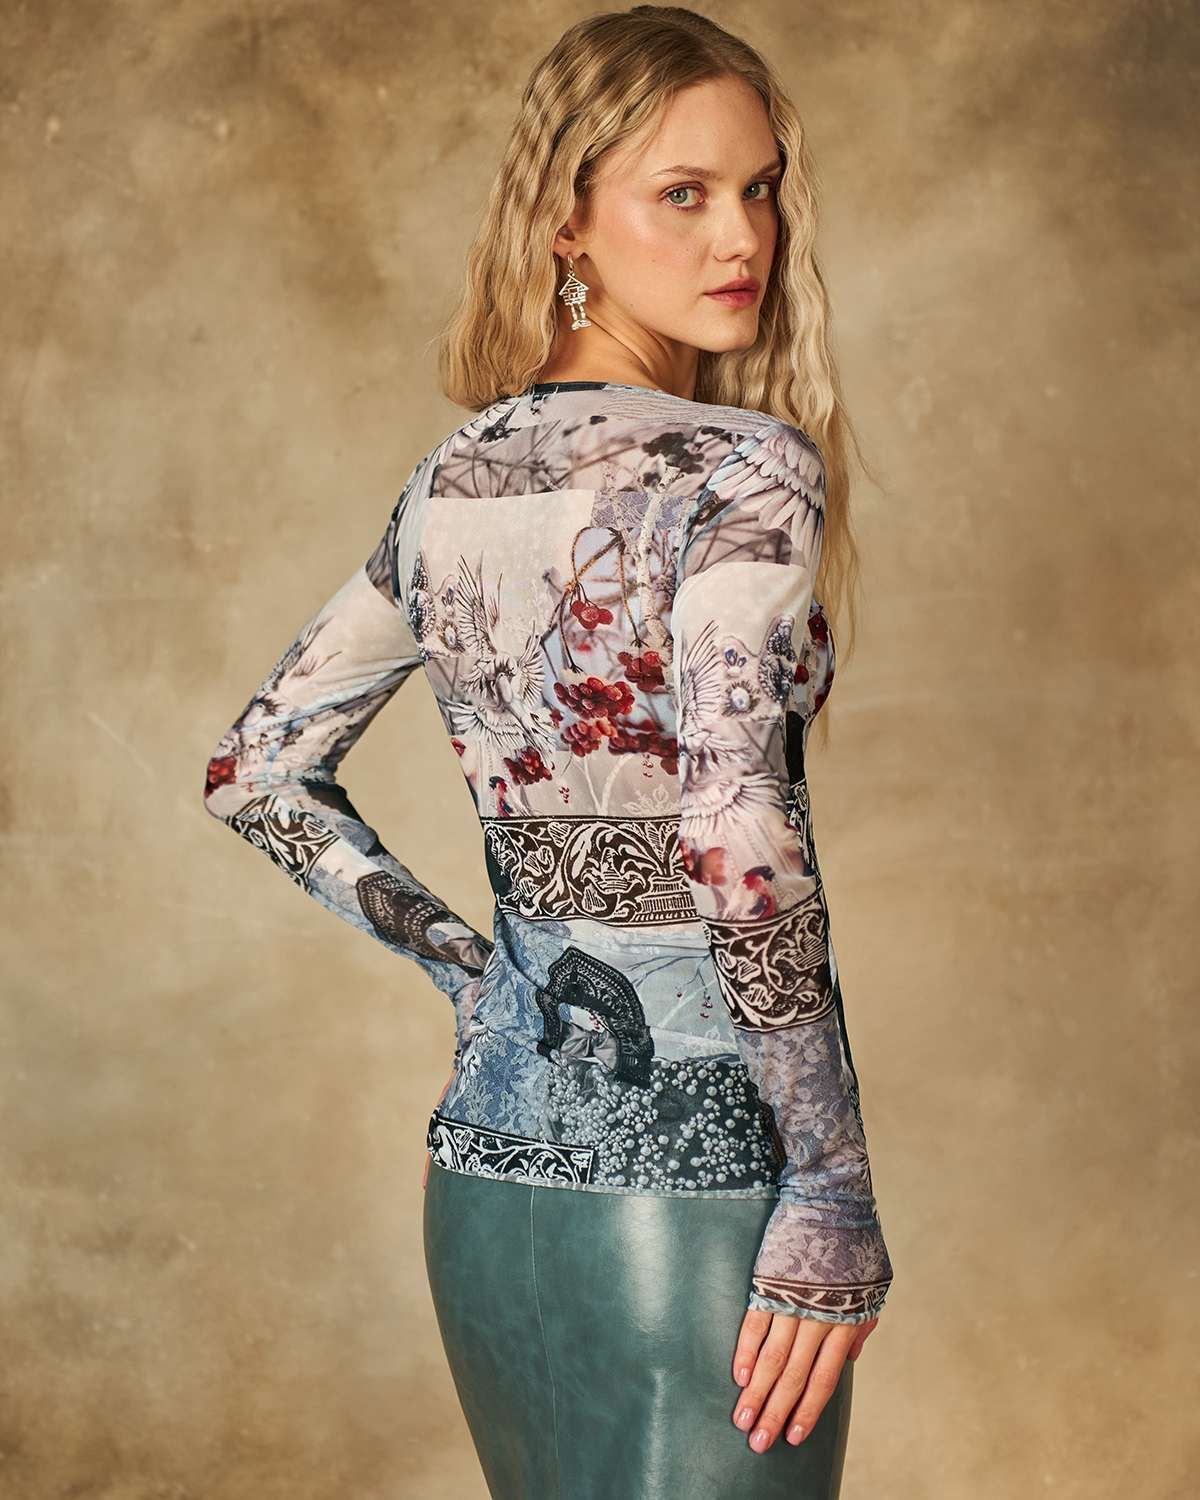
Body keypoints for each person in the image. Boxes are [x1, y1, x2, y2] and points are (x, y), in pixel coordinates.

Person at [203, 6, 895, 1495]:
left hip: (487, 1179)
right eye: (682, 192)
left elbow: (254, 770)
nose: (743, 237)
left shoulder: (451, 482)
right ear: (565, 219)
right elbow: (734, 830)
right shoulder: (744, 467)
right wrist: (831, 1187)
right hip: (696, 1198)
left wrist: (479, 976)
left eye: (760, 189)